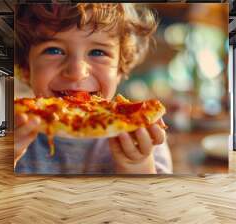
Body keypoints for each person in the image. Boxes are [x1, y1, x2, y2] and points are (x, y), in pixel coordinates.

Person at [14, 3, 172, 174]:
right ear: (26, 69)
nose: (77, 72)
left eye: (98, 52)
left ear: (120, 69)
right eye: (54, 50)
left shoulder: (144, 138)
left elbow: (153, 200)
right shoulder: (6, 133)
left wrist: (138, 166)